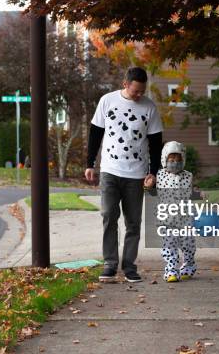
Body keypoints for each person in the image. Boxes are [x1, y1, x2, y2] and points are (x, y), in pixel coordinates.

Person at [85, 67, 163, 283]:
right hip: (110, 170)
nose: (139, 95)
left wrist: (153, 172)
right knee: (109, 216)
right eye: (136, 91)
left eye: (142, 91)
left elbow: (156, 143)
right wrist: (90, 163)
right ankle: (110, 264)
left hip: (136, 174)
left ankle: (129, 266)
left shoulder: (149, 107)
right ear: (125, 84)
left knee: (133, 222)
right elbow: (95, 133)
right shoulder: (107, 101)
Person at [156, 141, 198, 282]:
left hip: (185, 219)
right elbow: (153, 193)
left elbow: (190, 194)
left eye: (178, 160)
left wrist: (200, 195)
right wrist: (147, 187)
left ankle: (188, 266)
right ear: (165, 160)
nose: (175, 163)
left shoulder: (188, 176)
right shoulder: (160, 176)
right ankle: (171, 270)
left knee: (188, 245)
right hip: (167, 220)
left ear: (183, 160)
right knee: (170, 246)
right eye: (172, 160)